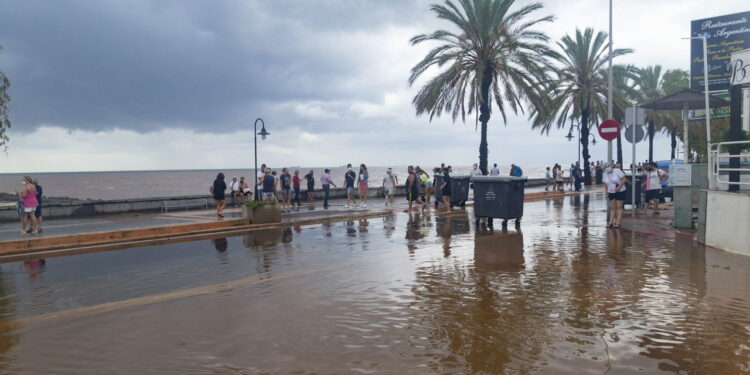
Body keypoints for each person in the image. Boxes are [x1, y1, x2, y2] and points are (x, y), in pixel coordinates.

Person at [603, 163, 628, 228]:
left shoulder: (617, 171)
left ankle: (618, 222)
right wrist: (606, 191)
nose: (607, 168)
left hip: (620, 190)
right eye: (606, 167)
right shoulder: (605, 173)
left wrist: (619, 187)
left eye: (608, 166)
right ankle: (610, 222)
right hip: (611, 191)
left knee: (619, 206)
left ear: (611, 166)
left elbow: (624, 179)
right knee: (612, 207)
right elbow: (605, 183)